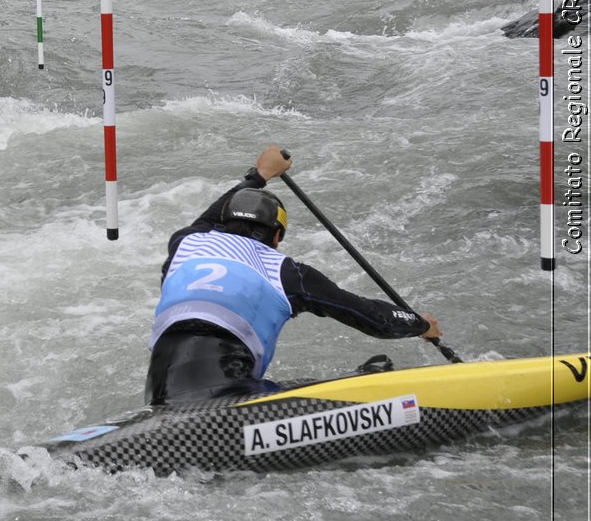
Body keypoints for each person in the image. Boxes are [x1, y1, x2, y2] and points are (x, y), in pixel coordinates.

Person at [146, 146, 441, 407]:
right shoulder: (286, 273)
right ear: (277, 236)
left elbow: (211, 216)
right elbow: (369, 316)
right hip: (228, 395)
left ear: (224, 222)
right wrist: (420, 323)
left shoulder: (187, 242)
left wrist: (259, 174)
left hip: (159, 393)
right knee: (378, 369)